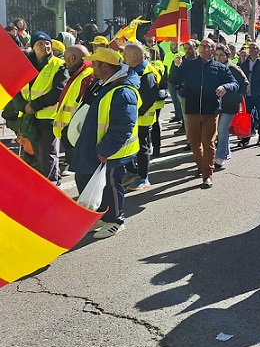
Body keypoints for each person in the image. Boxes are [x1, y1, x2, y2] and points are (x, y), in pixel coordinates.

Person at [70, 48, 140, 238]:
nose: (91, 67)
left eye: (95, 64)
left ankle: (116, 220)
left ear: (106, 66)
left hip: (110, 152)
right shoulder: (105, 84)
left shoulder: (123, 92)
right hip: (100, 148)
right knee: (97, 184)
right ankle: (103, 215)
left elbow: (124, 126)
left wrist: (105, 150)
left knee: (111, 185)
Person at [170, 38, 239, 188]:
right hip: (192, 110)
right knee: (194, 142)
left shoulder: (220, 68)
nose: (203, 48)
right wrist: (175, 66)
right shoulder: (188, 65)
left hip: (211, 111)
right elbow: (174, 79)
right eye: (202, 46)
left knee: (208, 143)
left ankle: (207, 175)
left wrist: (225, 87)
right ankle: (202, 166)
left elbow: (235, 83)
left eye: (207, 46)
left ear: (213, 50)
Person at [12, 31, 68, 184]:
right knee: (33, 155)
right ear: (33, 46)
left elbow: (59, 91)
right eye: (40, 44)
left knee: (47, 155)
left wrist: (34, 106)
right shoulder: (24, 65)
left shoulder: (59, 65)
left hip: (47, 118)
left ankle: (52, 186)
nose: (45, 46)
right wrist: (24, 107)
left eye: (47, 43)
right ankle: (44, 185)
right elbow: (16, 89)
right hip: (28, 118)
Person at [122, 43, 161, 191]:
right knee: (128, 146)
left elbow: (149, 97)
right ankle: (131, 172)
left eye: (125, 55)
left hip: (142, 119)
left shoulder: (147, 73)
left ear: (135, 56)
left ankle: (143, 177)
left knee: (141, 148)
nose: (123, 58)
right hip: (131, 117)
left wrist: (135, 114)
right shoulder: (131, 69)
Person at [52, 45, 95, 173]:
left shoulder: (87, 75)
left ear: (72, 58)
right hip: (73, 129)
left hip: (77, 131)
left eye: (65, 58)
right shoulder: (81, 73)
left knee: (83, 175)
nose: (64, 62)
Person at [214, 45, 248, 168]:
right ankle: (226, 151)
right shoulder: (215, 66)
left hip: (230, 104)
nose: (218, 57)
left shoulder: (232, 68)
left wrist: (237, 96)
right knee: (221, 130)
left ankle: (220, 156)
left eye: (221, 55)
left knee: (222, 130)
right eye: (217, 55)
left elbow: (244, 83)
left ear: (227, 56)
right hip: (218, 104)